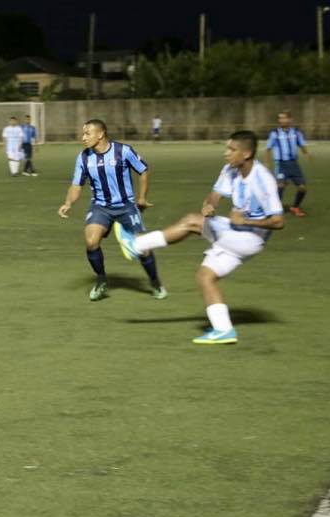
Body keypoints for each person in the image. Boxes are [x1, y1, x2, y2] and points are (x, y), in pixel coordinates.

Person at [114, 130, 284, 345]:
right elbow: (215, 194)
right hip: (236, 234)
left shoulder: (263, 179)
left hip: (250, 238)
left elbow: (278, 221)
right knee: (205, 276)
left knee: (192, 222)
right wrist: (210, 205)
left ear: (247, 153)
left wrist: (246, 222)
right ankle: (224, 330)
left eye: (232, 150)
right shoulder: (230, 169)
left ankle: (136, 245)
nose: (226, 153)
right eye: (227, 148)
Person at [58, 118, 166, 302]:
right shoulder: (84, 157)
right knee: (91, 242)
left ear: (100, 134)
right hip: (100, 206)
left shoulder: (123, 151)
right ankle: (101, 281)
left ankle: (155, 282)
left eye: (87, 133)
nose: (83, 137)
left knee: (143, 247)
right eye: (83, 133)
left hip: (126, 206)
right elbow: (76, 185)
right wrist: (68, 203)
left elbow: (144, 170)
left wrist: (142, 198)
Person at [265, 110, 311, 217]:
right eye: (280, 118)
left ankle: (295, 207)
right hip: (281, 164)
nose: (282, 120)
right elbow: (268, 149)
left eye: (284, 118)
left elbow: (301, 144)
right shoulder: (274, 133)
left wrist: (307, 153)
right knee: (280, 186)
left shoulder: (296, 132)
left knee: (302, 188)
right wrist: (267, 163)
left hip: (294, 164)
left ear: (290, 119)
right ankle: (275, 208)